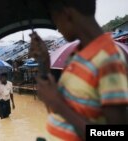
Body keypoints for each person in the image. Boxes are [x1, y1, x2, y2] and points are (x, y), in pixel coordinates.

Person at [29, 0, 128, 140]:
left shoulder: (109, 59)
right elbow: (69, 105)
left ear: (67, 15)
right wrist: (44, 62)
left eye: (55, 19)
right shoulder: (75, 54)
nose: (57, 28)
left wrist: (59, 105)